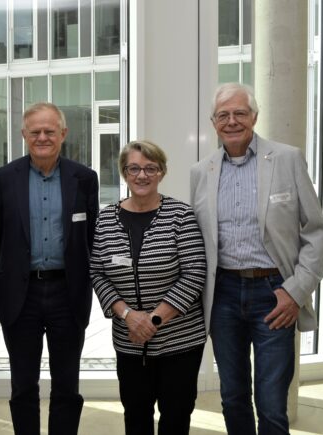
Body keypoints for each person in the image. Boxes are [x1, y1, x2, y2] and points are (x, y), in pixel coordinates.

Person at [190, 82, 323, 434]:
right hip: (221, 295)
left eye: (240, 113)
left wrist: (295, 290)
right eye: (224, 115)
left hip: (274, 294)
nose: (232, 121)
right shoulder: (200, 171)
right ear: (213, 122)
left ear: (254, 116)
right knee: (233, 396)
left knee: (270, 402)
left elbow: (316, 231)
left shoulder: (287, 159)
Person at [0, 102, 99, 434]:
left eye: (49, 131)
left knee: (67, 385)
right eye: (34, 131)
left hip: (68, 292)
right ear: (23, 135)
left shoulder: (84, 178)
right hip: (21, 294)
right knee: (23, 384)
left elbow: (90, 233)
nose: (42, 137)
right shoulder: (4, 178)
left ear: (63, 134)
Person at [90, 140, 206, 434]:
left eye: (150, 168)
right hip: (129, 342)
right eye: (134, 168)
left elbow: (194, 273)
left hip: (179, 342)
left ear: (162, 173)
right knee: (136, 416)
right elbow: (98, 272)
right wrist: (130, 316)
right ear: (124, 173)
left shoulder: (181, 215)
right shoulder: (105, 219)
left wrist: (152, 320)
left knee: (176, 417)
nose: (142, 175)